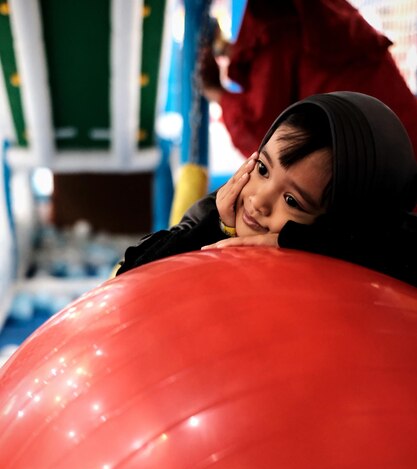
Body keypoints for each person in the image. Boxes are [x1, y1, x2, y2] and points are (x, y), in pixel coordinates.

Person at [117, 91, 417, 287]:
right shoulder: (221, 211)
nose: (259, 200)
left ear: (341, 225)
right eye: (262, 169)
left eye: (292, 200)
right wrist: (218, 228)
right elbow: (131, 279)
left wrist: (300, 242)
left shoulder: (373, 252)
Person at [200, 0, 417, 158]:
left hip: (383, 180)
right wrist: (232, 51)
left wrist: (215, 91)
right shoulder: (323, 8)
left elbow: (267, 139)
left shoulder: (275, 19)